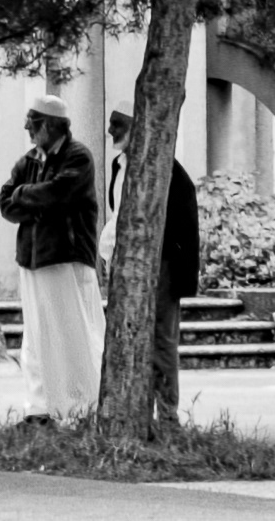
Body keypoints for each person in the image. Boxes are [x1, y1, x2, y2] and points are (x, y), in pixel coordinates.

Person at [0, 94, 104, 425]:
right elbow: (5, 203)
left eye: (32, 123)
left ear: (50, 125)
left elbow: (58, 194)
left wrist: (24, 195)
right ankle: (40, 409)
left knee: (72, 336)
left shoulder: (78, 157)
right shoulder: (28, 161)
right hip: (32, 260)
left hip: (66, 259)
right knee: (36, 338)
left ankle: (80, 409)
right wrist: (33, 201)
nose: (26, 128)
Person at [98, 99, 200, 427]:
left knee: (162, 341)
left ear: (137, 126)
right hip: (126, 267)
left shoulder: (169, 170)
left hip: (164, 266)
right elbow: (118, 214)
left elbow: (183, 226)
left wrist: (180, 277)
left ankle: (168, 416)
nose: (110, 130)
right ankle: (137, 413)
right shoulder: (119, 165)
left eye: (117, 124)